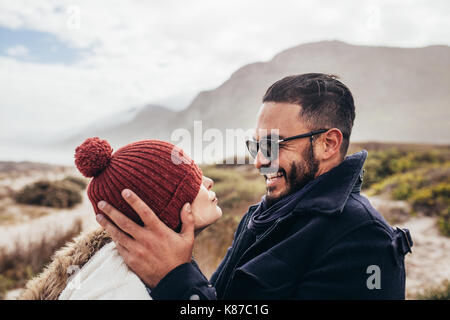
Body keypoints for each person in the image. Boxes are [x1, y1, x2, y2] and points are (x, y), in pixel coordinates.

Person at [96, 73, 413, 299]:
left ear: (328, 144)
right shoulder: (260, 214)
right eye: (255, 146)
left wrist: (175, 278)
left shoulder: (363, 240)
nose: (260, 162)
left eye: (274, 146)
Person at [18, 138, 222, 300]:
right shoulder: (122, 289)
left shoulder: (140, 270)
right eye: (194, 181)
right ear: (157, 211)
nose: (209, 182)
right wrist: (178, 279)